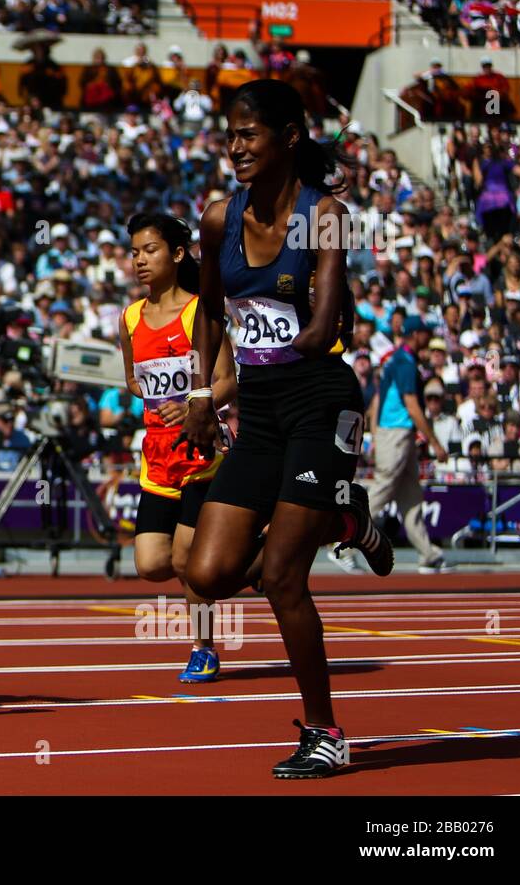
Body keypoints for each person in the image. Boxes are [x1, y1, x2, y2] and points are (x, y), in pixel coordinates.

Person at [179, 79, 394, 779]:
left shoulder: (323, 215)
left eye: (249, 134)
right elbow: (209, 310)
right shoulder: (219, 219)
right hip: (261, 412)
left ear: (289, 137)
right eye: (231, 134)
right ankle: (344, 519)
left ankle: (326, 732)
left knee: (280, 579)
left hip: (318, 400)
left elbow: (323, 325)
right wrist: (204, 387)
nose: (235, 146)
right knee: (206, 574)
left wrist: (264, 354)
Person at [120, 213, 238, 683]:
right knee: (151, 565)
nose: (140, 260)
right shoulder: (130, 316)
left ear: (177, 253)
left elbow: (227, 380)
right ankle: (236, 561)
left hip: (200, 455)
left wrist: (193, 405)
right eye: (134, 252)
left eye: (149, 250)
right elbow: (131, 378)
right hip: (156, 459)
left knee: (185, 561)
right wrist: (154, 394)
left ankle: (203, 647)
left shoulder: (200, 311)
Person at [363, 315, 449, 573]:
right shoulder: (405, 363)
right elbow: (411, 405)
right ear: (414, 335)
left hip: (396, 433)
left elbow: (378, 400)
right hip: (397, 432)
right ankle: (338, 534)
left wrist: (376, 435)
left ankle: (427, 554)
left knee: (411, 496)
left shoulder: (399, 360)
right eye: (424, 333)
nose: (428, 338)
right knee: (383, 487)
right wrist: (435, 443)